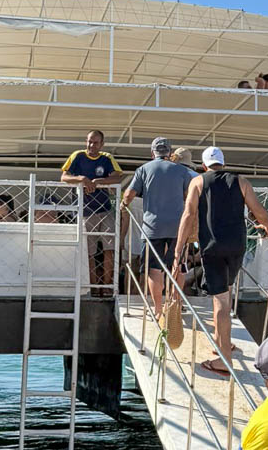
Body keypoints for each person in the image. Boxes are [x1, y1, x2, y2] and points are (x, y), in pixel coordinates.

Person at [173, 147, 268, 376]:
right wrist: (267, 227)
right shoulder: (241, 181)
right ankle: (222, 342)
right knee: (226, 293)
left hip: (212, 247)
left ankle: (224, 360)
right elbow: (259, 211)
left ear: (205, 165)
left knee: (220, 303)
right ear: (223, 163)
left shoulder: (198, 182)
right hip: (237, 246)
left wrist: (179, 250)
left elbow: (188, 215)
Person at [121, 137, 192, 319]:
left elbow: (129, 193)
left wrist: (123, 204)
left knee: (154, 269)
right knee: (179, 265)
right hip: (178, 227)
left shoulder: (143, 169)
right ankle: (176, 304)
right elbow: (188, 195)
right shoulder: (181, 170)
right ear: (169, 153)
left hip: (152, 227)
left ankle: (158, 310)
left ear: (152, 153)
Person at [61, 129, 123, 287]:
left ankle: (108, 286)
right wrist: (81, 179)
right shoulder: (77, 156)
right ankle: (92, 286)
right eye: (89, 141)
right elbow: (63, 177)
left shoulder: (107, 158)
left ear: (102, 144)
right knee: (89, 252)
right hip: (84, 211)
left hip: (105, 209)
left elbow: (118, 177)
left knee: (110, 249)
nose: (91, 145)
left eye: (95, 142)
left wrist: (98, 181)